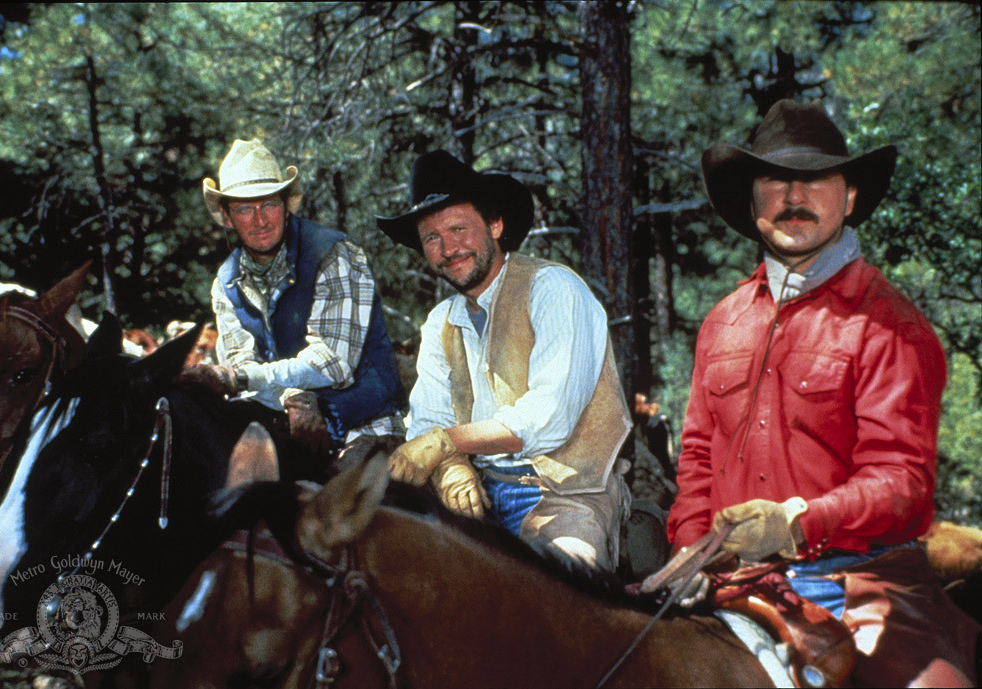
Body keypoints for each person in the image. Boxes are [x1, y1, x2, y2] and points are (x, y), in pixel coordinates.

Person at [666, 99, 978, 686]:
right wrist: (690, 550)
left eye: (814, 179)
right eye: (775, 180)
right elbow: (698, 457)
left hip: (859, 580)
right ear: (752, 200)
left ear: (850, 197)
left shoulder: (890, 323)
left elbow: (903, 482)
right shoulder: (722, 322)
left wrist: (796, 520)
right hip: (734, 578)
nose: (793, 195)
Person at [376, 151, 633, 572]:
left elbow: (549, 417)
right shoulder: (442, 322)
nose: (447, 248)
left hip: (568, 494)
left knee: (566, 584)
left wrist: (447, 443)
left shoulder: (553, 288)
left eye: (458, 228)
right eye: (431, 238)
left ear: (495, 225)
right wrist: (453, 469)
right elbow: (427, 421)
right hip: (478, 496)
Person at [185, 139, 406, 459]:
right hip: (285, 423)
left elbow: (334, 364)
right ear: (227, 217)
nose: (260, 220)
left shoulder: (334, 254)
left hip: (365, 424)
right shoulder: (226, 282)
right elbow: (243, 363)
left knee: (339, 505)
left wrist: (240, 378)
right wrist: (292, 396)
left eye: (269, 205)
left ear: (286, 205)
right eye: (245, 208)